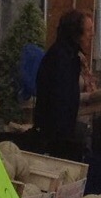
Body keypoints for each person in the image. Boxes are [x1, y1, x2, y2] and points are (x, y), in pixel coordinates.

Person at [32, 10, 93, 161]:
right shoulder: (60, 57)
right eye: (88, 31)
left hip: (65, 130)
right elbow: (60, 99)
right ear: (76, 33)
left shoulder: (71, 56)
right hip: (56, 134)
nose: (91, 35)